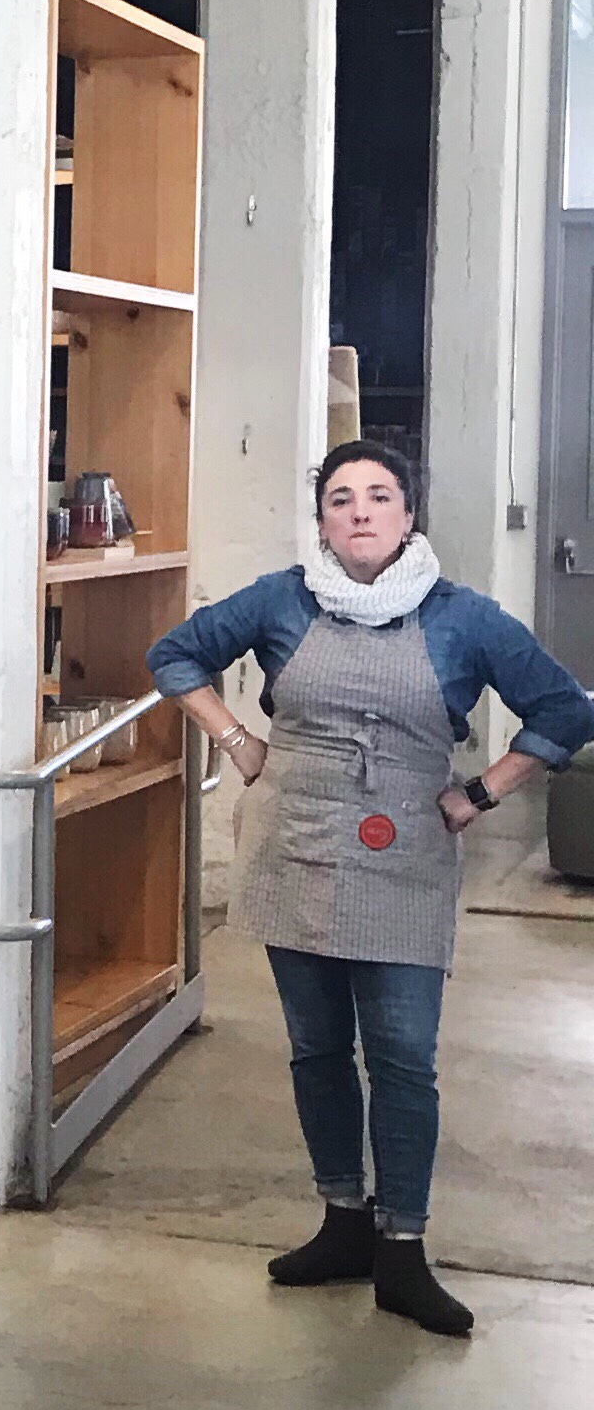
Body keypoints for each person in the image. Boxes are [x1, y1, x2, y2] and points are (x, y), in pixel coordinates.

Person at [148, 439, 593, 1339]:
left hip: (405, 863)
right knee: (316, 1048)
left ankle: (403, 1248)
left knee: (401, 1056)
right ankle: (343, 1222)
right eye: (341, 498)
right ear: (321, 521)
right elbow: (174, 655)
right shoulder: (282, 600)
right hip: (293, 851)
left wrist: (481, 792)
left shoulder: (462, 618)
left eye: (379, 495)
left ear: (408, 513)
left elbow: (566, 708)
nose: (360, 511)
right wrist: (238, 743)